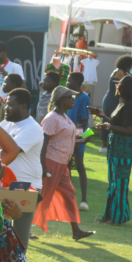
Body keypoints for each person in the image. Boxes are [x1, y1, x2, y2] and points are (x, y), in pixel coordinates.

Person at [36, 85, 95, 240]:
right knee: (41, 196)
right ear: (62, 100)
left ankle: (76, 231)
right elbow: (43, 142)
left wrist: (83, 140)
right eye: (70, 97)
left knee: (69, 195)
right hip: (51, 162)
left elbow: (68, 141)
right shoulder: (51, 118)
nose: (73, 100)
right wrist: (43, 166)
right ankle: (23, 228)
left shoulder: (65, 118)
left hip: (62, 165)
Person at [0, 89, 45, 247]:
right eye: (6, 104)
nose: (6, 108)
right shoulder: (6, 122)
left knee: (19, 235)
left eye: (10, 105)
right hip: (5, 183)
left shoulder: (32, 128)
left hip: (25, 185)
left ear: (23, 107)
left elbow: (11, 150)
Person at [93, 75, 132, 225]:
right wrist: (103, 117)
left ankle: (119, 218)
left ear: (124, 87)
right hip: (116, 146)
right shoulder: (122, 104)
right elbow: (116, 122)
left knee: (119, 182)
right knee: (113, 181)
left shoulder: (128, 106)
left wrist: (109, 127)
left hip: (123, 148)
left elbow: (128, 129)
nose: (116, 85)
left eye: (119, 84)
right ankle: (109, 215)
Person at [99, 55, 132, 153]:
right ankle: (103, 145)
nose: (130, 68)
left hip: (111, 98)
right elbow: (129, 82)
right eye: (130, 66)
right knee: (110, 120)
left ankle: (105, 145)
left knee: (111, 119)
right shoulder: (121, 72)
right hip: (112, 99)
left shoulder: (117, 70)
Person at [65, 72, 91, 210]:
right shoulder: (69, 96)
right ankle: (68, 199)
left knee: (79, 165)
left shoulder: (84, 98)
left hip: (77, 136)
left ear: (76, 82)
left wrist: (78, 140)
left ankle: (84, 200)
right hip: (67, 135)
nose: (67, 83)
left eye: (69, 80)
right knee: (67, 167)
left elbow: (84, 121)